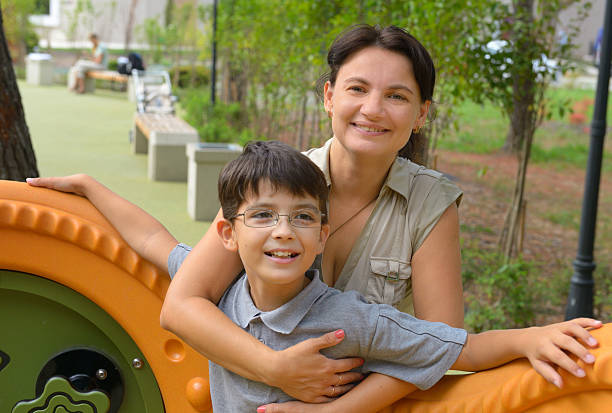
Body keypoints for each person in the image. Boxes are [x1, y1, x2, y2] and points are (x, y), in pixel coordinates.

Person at [28, 24, 474, 409]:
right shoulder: (276, 185)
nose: (373, 109)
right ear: (329, 96)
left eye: (396, 96)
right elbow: (182, 299)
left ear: (421, 114)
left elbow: (438, 347)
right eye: (357, 88)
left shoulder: (430, 203)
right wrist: (276, 368)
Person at [207, 140, 601, 412]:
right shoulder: (224, 296)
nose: (283, 230)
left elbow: (457, 346)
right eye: (262, 216)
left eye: (303, 218)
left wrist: (528, 338)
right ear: (229, 234)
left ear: (322, 236)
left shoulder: (350, 320)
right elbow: (159, 247)